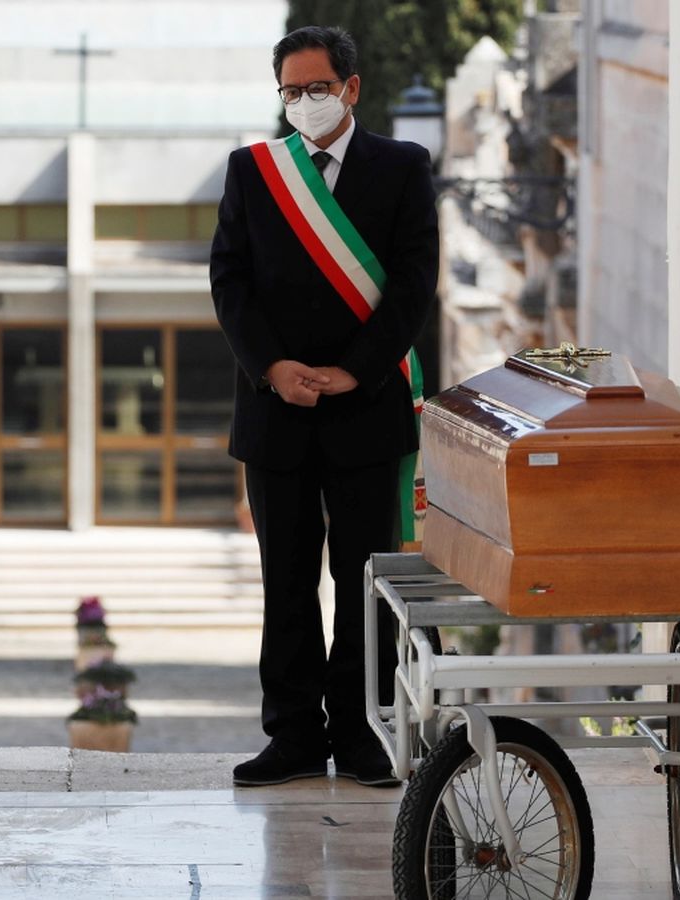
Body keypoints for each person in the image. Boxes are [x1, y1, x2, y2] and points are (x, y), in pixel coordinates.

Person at [210, 26, 437, 787]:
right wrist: (274, 367)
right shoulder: (254, 171)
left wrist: (354, 372)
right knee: (287, 582)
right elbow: (229, 281)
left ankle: (364, 731)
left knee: (365, 582)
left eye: (317, 87)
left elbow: (412, 285)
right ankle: (294, 735)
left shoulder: (403, 168)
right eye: (290, 91)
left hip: (365, 410)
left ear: (351, 87)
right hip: (276, 411)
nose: (304, 102)